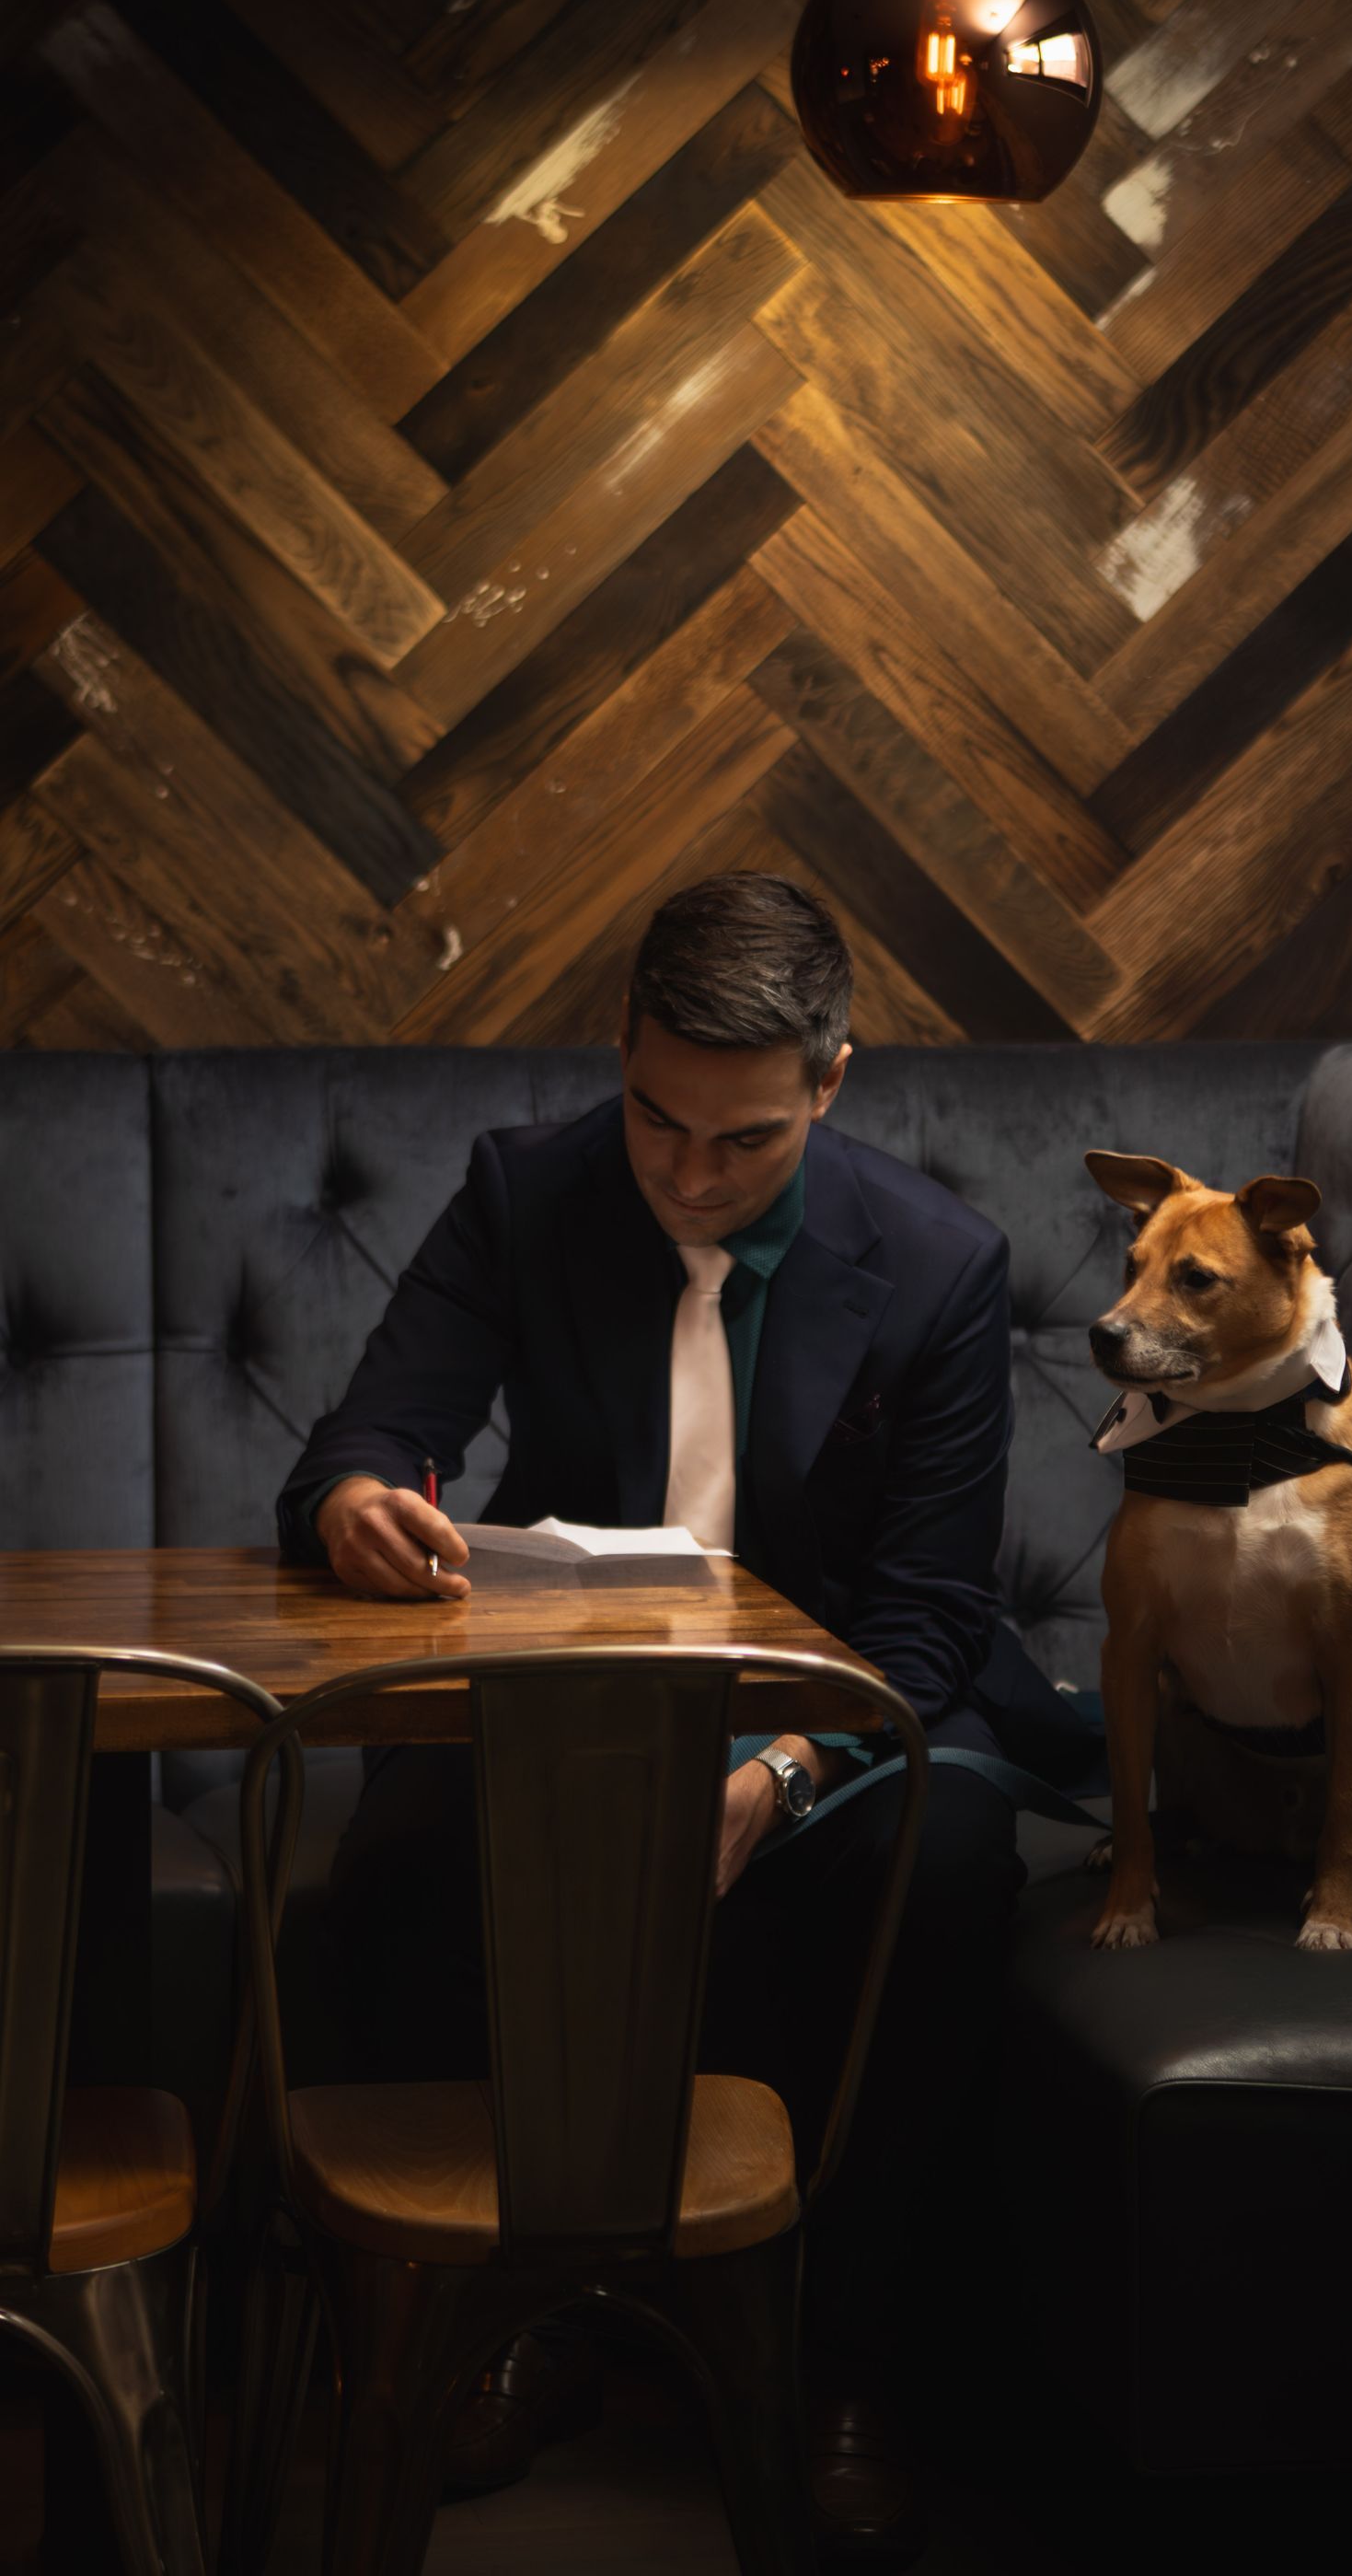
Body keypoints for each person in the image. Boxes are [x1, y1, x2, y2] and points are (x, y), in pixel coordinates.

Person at [277, 873, 1034, 2564]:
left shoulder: (939, 1266)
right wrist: (351, 1502)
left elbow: (926, 1621)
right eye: (656, 1119)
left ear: (834, 1083)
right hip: (568, 1698)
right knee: (404, 1841)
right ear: (617, 1049)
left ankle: (849, 2367)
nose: (687, 1175)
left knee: (958, 1857)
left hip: (826, 1721)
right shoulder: (527, 1189)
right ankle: (511, 2320)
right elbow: (371, 1427)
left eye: (745, 1141)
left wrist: (775, 1775)